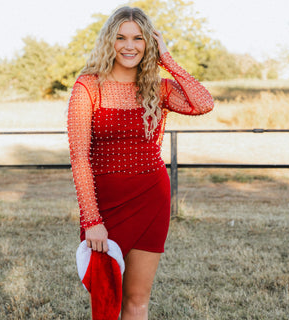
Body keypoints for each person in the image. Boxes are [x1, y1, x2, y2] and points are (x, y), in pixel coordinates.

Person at [67, 6, 214, 320]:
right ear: (109, 41)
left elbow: (203, 103)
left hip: (151, 198)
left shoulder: (157, 88)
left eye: (138, 38)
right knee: (107, 302)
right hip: (104, 207)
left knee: (137, 301)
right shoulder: (87, 87)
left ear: (149, 43)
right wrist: (92, 220)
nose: (129, 45)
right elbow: (79, 157)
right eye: (121, 37)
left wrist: (167, 58)